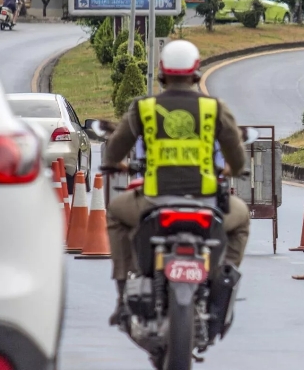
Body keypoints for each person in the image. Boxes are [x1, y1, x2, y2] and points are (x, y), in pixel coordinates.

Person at [100, 39, 251, 326]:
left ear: (162, 72)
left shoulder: (144, 108)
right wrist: (232, 169)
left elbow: (114, 150)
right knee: (241, 219)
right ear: (196, 72)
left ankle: (123, 294)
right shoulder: (214, 107)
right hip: (207, 203)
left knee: (117, 213)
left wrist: (114, 164)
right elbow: (237, 156)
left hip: (153, 202)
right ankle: (223, 279)